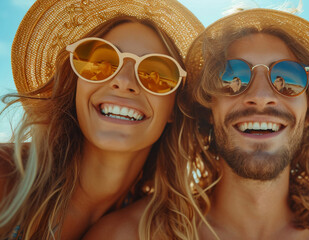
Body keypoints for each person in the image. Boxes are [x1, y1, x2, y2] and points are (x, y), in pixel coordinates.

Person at [0, 0, 204, 239]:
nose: (125, 81)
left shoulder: (159, 226)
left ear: (174, 108)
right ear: (75, 83)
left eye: (158, 74)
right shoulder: (6, 176)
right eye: (100, 62)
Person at [182, 8, 309, 240]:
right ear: (209, 108)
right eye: (233, 76)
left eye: (289, 78)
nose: (260, 96)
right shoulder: (153, 229)